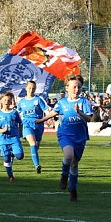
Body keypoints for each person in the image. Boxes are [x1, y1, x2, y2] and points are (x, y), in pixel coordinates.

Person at [43, 74, 93, 202]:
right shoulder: (62, 102)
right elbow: (54, 112)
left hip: (80, 136)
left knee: (75, 164)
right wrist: (41, 120)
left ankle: (73, 189)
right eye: (74, 87)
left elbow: (89, 118)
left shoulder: (84, 102)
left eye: (79, 87)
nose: (77, 90)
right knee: (69, 156)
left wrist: (79, 112)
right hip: (65, 134)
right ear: (67, 88)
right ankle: (64, 175)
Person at [17, 80, 50, 174]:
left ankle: (34, 159)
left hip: (39, 124)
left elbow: (46, 110)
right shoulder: (21, 101)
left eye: (33, 88)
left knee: (36, 146)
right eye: (30, 88)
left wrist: (48, 119)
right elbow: (17, 113)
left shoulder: (38, 99)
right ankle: (37, 165)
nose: (31, 90)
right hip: (27, 124)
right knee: (33, 143)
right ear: (26, 88)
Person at [0, 92, 24, 183]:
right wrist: (2, 130)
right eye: (5, 100)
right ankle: (10, 176)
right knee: (6, 159)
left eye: (9, 100)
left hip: (14, 138)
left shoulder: (14, 112)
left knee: (20, 156)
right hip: (3, 139)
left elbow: (20, 123)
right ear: (2, 101)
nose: (7, 102)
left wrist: (20, 134)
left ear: (11, 102)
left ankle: (12, 154)